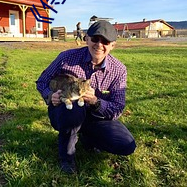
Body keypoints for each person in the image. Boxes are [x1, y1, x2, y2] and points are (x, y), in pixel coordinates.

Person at [36, 21, 136, 174]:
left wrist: (96, 102)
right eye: (95, 39)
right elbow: (42, 81)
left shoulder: (119, 70)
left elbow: (117, 108)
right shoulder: (66, 58)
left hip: (96, 116)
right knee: (74, 107)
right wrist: (50, 96)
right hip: (65, 111)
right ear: (87, 39)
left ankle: (87, 137)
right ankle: (67, 157)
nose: (99, 45)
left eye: (105, 41)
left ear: (113, 45)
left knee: (126, 144)